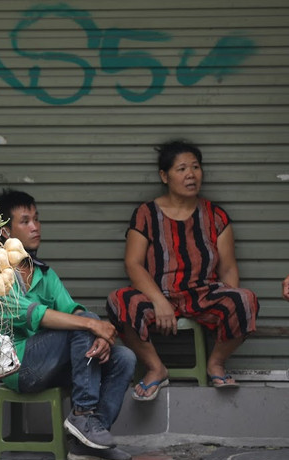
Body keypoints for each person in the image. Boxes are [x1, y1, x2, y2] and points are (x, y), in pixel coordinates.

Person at [0, 189, 136, 460]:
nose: (35, 227)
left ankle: (86, 443)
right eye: (25, 221)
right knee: (81, 325)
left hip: (51, 363)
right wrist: (92, 325)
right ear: (6, 232)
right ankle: (82, 413)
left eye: (37, 219)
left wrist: (96, 332)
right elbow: (35, 315)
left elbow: (72, 309)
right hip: (18, 367)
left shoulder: (44, 273)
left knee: (124, 358)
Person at [107, 140, 259, 400]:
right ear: (164, 176)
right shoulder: (146, 213)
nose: (191, 174)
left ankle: (216, 364)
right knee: (119, 301)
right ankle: (156, 369)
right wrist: (158, 301)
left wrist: (229, 314)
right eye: (182, 169)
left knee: (245, 300)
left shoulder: (216, 216)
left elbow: (229, 267)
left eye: (196, 167)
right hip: (159, 294)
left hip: (203, 294)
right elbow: (133, 264)